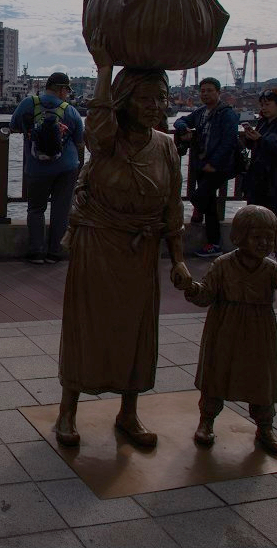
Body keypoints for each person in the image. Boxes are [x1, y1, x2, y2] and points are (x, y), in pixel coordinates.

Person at [55, 35, 190, 449]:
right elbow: (96, 124)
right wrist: (103, 68)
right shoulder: (107, 140)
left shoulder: (166, 147)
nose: (154, 106)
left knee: (137, 330)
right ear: (125, 99)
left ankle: (129, 412)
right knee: (86, 326)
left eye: (161, 98)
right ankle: (68, 410)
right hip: (99, 243)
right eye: (146, 98)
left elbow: (172, 205)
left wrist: (179, 259)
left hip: (143, 250)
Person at [172, 205, 277, 454]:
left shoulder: (270, 268)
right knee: (217, 374)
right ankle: (206, 421)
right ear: (240, 236)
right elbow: (205, 294)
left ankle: (265, 427)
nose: (264, 243)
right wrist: (190, 288)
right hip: (225, 325)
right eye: (257, 237)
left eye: (269, 238)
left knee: (262, 378)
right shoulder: (223, 265)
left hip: (260, 327)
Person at [9, 72, 85, 264]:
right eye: (67, 90)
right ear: (61, 90)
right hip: (66, 167)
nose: (67, 95)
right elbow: (79, 140)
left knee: (35, 209)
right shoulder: (70, 110)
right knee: (61, 210)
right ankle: (55, 253)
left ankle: (36, 252)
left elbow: (13, 124)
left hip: (37, 166)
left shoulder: (28, 103)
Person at [174, 77, 240, 257]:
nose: (205, 94)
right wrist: (183, 129)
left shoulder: (227, 114)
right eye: (203, 91)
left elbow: (229, 142)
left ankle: (198, 219)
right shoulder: (201, 112)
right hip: (202, 164)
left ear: (218, 92)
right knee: (210, 206)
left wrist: (214, 163)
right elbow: (180, 121)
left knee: (198, 196)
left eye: (210, 90)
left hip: (218, 167)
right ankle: (213, 244)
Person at [240, 87, 277, 223]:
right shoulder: (262, 123)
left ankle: (271, 243)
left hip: (274, 178)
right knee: (253, 214)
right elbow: (253, 146)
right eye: (262, 105)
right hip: (256, 175)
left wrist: (260, 139)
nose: (264, 108)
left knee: (272, 217)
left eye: (268, 104)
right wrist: (249, 138)